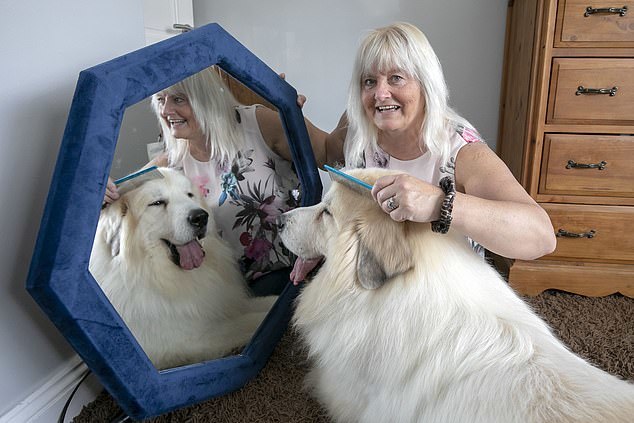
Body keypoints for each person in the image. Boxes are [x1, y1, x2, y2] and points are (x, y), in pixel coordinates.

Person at [291, 22, 556, 284]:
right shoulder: (358, 127)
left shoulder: (462, 151)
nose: (380, 94)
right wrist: (286, 109)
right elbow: (326, 152)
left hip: (441, 291)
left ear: (425, 83)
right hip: (376, 277)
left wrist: (440, 204)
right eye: (369, 81)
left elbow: (541, 237)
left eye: (396, 78)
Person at [104, 66, 327, 293]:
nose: (166, 110)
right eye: (161, 100)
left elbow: (330, 153)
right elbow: (114, 197)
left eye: (179, 99)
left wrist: (294, 114)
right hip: (226, 286)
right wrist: (101, 188)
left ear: (205, 98)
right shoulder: (168, 165)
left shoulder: (258, 124)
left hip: (293, 271)